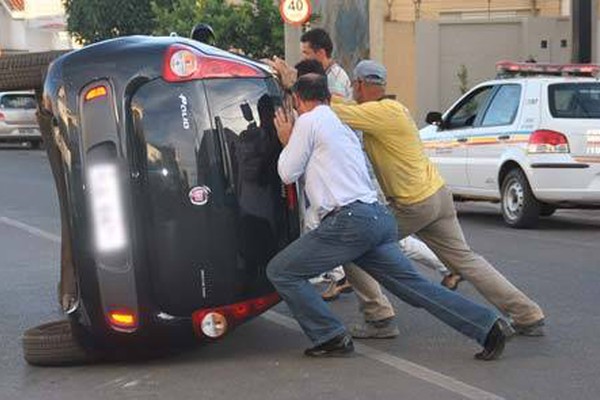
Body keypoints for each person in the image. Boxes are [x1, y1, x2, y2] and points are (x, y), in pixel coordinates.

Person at [266, 73, 513, 360]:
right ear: (329, 96)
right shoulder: (340, 124)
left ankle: (330, 335)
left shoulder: (308, 122)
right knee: (415, 287)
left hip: (348, 222)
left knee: (282, 271)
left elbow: (287, 173)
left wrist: (286, 140)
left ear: (297, 99)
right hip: (375, 217)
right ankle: (487, 325)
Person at [329, 60, 546, 337]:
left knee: (351, 245)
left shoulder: (379, 113)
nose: (351, 92)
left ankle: (378, 318)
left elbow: (334, 111)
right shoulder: (390, 108)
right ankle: (527, 314)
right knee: (466, 260)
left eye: (353, 86)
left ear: (359, 85)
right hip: (437, 196)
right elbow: (342, 106)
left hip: (413, 204)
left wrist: (294, 88)